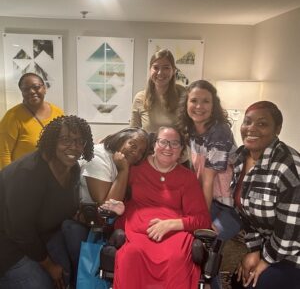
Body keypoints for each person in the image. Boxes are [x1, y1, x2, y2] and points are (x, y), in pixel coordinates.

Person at [0, 115, 94, 289]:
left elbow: (64, 206)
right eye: (66, 140)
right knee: (42, 284)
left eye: (80, 141)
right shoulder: (28, 173)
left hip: (41, 235)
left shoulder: (72, 169)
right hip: (8, 242)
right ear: (52, 141)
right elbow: (20, 230)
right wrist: (49, 265)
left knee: (64, 275)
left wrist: (82, 217)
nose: (74, 147)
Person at [113, 126, 211, 289]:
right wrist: (121, 208)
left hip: (174, 234)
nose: (168, 148)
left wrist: (170, 224)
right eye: (163, 142)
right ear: (154, 144)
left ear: (181, 149)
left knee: (176, 258)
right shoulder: (135, 169)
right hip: (138, 231)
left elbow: (202, 219)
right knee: (131, 255)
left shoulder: (187, 177)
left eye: (174, 143)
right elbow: (121, 198)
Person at [62, 127, 149, 284]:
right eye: (133, 145)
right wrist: (123, 170)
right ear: (121, 138)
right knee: (86, 273)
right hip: (85, 221)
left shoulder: (124, 160)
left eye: (141, 152)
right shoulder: (98, 156)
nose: (136, 153)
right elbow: (106, 206)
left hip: (104, 222)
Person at [177, 80, 242, 288]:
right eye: (194, 100)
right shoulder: (191, 131)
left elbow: (208, 179)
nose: (199, 106)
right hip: (209, 201)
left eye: (206, 101)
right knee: (187, 245)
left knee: (204, 245)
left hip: (231, 209)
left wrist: (201, 220)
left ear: (214, 105)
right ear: (186, 104)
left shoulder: (219, 132)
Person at [231, 101, 300, 289]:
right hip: (268, 243)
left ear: (277, 129)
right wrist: (254, 250)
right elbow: (246, 213)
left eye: (262, 124)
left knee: (258, 283)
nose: (251, 128)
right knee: (238, 281)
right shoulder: (240, 157)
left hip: (293, 250)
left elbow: (290, 232)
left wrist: (265, 261)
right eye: (247, 122)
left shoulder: (288, 167)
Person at [0, 72, 64, 169]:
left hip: (53, 173)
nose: (32, 91)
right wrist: (8, 180)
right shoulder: (12, 117)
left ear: (44, 88)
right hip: (22, 176)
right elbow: (3, 153)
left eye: (36, 87)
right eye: (26, 89)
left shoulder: (58, 113)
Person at [130, 49, 186, 133]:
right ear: (150, 70)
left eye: (166, 68)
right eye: (156, 67)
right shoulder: (140, 98)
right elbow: (133, 133)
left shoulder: (183, 94)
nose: (160, 73)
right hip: (148, 146)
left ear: (173, 70)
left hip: (175, 146)